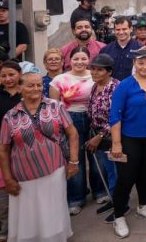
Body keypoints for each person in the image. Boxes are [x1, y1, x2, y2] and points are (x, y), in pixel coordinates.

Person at [0, 70, 79, 242]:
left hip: (54, 168)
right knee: (28, 212)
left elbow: (73, 134)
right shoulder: (10, 116)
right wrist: (7, 178)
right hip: (23, 174)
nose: (36, 88)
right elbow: (3, 149)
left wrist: (73, 161)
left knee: (53, 208)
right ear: (20, 88)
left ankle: (54, 238)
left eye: (39, 85)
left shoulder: (56, 106)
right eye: (30, 85)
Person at [109, 48, 146, 238]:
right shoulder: (125, 85)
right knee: (126, 177)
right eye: (141, 62)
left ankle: (143, 204)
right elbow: (115, 115)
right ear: (134, 64)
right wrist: (116, 143)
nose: (145, 66)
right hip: (129, 137)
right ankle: (119, 214)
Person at [49, 46, 97, 214]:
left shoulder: (96, 76)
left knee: (96, 157)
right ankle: (76, 198)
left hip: (93, 118)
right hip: (69, 119)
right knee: (75, 159)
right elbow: (53, 107)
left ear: (89, 60)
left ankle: (100, 192)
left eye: (83, 58)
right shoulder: (59, 80)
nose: (80, 62)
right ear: (69, 60)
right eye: (76, 58)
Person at [86, 53, 119, 206]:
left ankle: (119, 206)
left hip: (112, 137)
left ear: (109, 71)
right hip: (97, 135)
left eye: (99, 70)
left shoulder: (116, 87)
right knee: (106, 170)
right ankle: (113, 200)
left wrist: (99, 135)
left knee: (115, 172)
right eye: (92, 69)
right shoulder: (95, 86)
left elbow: (118, 116)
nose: (94, 73)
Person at [100, 16, 142, 81]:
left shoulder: (140, 48)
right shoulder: (105, 50)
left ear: (131, 29)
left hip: (133, 87)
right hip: (112, 89)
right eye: (118, 30)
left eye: (124, 29)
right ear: (114, 30)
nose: (121, 32)